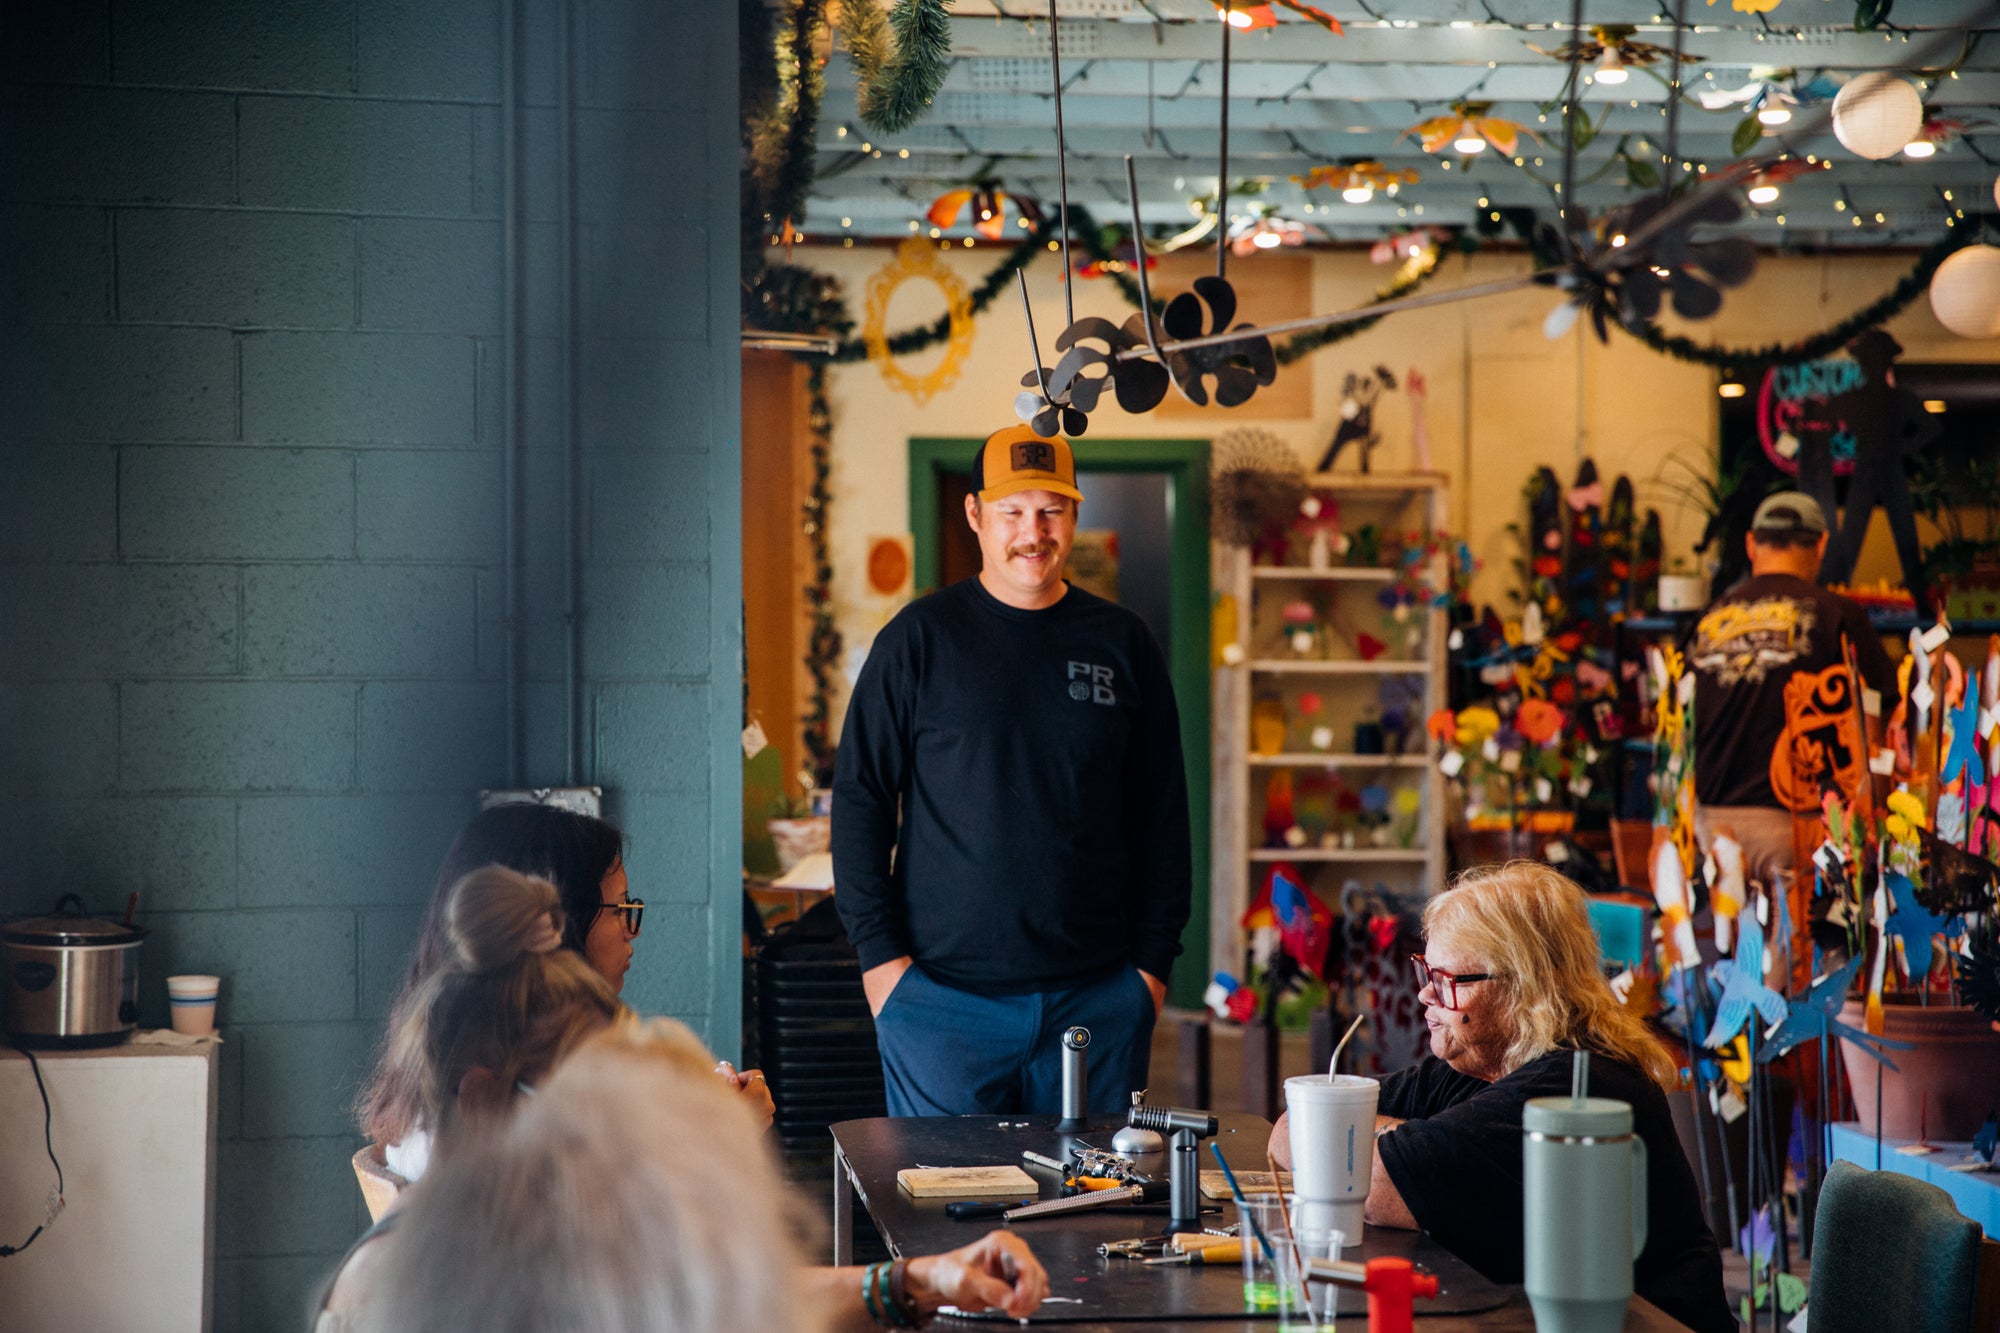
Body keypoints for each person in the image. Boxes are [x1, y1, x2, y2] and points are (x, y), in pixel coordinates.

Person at [326, 882, 1049, 1332]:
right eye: (584, 1096)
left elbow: (727, 1297)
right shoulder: (393, 1288)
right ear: (483, 1097)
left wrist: (922, 1279)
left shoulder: (558, 1215)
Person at [832, 424, 1192, 1116]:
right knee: (947, 1220)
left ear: (1076, 514)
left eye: (1052, 509)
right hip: (940, 1008)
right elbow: (860, 801)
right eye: (1012, 511)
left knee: (1091, 1214)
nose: (1034, 530)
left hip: (1097, 1005)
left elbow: (1162, 815)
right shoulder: (917, 641)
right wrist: (884, 969)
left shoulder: (1123, 644)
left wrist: (1148, 972)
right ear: (975, 515)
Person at [1268, 863, 1734, 1333]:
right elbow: (1290, 1129)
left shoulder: (1576, 1084)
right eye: (1425, 971)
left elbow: (1370, 1183)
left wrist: (1375, 1141)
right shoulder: (1473, 1066)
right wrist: (1408, 1140)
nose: (1427, 995)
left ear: (1521, 988)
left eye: (1448, 981)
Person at [357, 802, 771, 1183]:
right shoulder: (502, 1110)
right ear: (558, 926)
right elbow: (614, 1228)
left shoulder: (446, 1080)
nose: (632, 932)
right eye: (621, 910)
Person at [1688, 491, 1895, 893]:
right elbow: (1874, 718)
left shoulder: (1707, 618)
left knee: (1725, 951)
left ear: (1751, 544)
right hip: (1794, 828)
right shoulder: (1838, 615)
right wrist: (1876, 816)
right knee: (1796, 952)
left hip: (1708, 829)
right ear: (1821, 543)